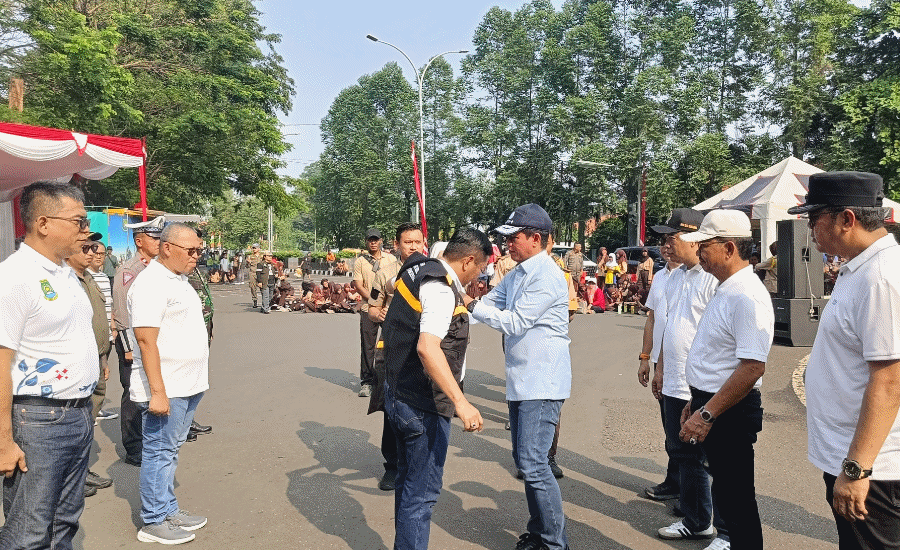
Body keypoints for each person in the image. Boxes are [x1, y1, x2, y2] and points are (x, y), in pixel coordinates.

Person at [789, 172, 900, 550]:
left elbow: (890, 381)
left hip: (875, 468)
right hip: (855, 456)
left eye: (813, 217)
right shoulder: (860, 268)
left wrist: (856, 468)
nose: (809, 228)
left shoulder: (881, 277)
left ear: (846, 219)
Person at [466, 204, 572, 550]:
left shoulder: (547, 276)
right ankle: (540, 531)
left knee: (534, 464)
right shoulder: (518, 272)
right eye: (507, 237)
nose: (507, 243)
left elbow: (514, 321)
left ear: (535, 239)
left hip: (541, 381)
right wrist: (457, 305)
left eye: (514, 237)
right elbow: (489, 304)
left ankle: (554, 542)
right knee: (527, 463)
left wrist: (469, 306)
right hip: (522, 381)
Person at [0, 181, 98, 549]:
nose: (84, 230)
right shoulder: (15, 277)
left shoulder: (64, 273)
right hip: (38, 421)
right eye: (78, 221)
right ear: (43, 223)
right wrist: (3, 440)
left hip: (77, 414)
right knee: (28, 531)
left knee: (64, 520)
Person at [383, 228, 490, 550]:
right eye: (480, 269)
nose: (478, 277)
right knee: (421, 496)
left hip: (398, 393)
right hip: (422, 404)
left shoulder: (417, 269)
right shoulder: (441, 290)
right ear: (468, 261)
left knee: (407, 485)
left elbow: (390, 286)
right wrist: (462, 403)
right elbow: (428, 348)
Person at [678, 209, 775, 550]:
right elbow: (718, 357)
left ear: (730, 248)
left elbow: (752, 367)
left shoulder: (746, 295)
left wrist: (706, 414)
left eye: (705, 244)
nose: (700, 251)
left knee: (736, 501)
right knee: (726, 491)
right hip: (714, 402)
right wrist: (697, 400)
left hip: (729, 410)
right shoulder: (727, 288)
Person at [128, 222, 210, 544]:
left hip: (188, 384)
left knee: (171, 450)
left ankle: (168, 509)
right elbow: (146, 340)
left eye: (199, 251)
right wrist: (158, 393)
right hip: (168, 387)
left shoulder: (178, 279)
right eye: (190, 251)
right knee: (159, 452)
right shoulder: (151, 283)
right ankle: (153, 520)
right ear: (166, 248)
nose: (196, 256)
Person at [650, 208, 725, 548]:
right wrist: (660, 368)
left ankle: (719, 528)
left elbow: (718, 339)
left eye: (672, 237)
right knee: (682, 453)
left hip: (702, 386)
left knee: (711, 458)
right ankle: (695, 520)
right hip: (674, 381)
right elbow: (670, 328)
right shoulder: (678, 277)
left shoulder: (713, 281)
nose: (667, 243)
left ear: (694, 238)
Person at [367, 222, 424, 492]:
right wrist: (378, 314)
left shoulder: (431, 270)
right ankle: (392, 465)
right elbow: (372, 307)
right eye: (408, 242)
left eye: (417, 242)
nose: (413, 247)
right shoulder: (386, 274)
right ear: (397, 244)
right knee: (391, 406)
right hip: (392, 347)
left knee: (420, 407)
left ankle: (416, 464)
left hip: (422, 346)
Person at [113, 215, 165, 466]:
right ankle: (133, 446)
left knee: (150, 391)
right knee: (133, 395)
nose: (158, 242)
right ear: (139, 240)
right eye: (154, 238)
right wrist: (128, 350)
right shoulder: (129, 271)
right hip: (134, 344)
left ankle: (150, 440)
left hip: (153, 343)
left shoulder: (157, 269)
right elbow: (122, 315)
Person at [68, 233, 115, 497]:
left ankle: (80, 471)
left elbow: (100, 321)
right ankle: (74, 476)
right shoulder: (66, 281)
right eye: (84, 248)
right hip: (77, 364)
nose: (91, 253)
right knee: (76, 422)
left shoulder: (89, 278)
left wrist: (104, 357)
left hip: (96, 358)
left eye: (92, 248)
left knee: (88, 420)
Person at [637, 239, 682, 505]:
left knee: (684, 426)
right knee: (669, 423)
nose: (665, 248)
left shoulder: (694, 277)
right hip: (660, 361)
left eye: (670, 242)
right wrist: (645, 358)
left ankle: (693, 491)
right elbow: (652, 319)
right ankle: (675, 480)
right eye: (662, 244)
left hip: (684, 362)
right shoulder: (662, 277)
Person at [353, 228, 401, 398]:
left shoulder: (391, 259)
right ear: (366, 242)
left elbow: (397, 283)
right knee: (368, 345)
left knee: (392, 344)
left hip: (389, 309)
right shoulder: (360, 261)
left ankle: (389, 379)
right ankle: (366, 382)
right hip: (369, 309)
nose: (373, 242)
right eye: (370, 240)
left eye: (376, 239)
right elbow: (359, 285)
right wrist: (375, 302)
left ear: (381, 241)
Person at [88, 240, 119, 424]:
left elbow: (109, 305)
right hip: (94, 336)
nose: (99, 257)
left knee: (103, 373)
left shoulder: (103, 277)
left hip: (107, 333)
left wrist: (113, 327)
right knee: (95, 374)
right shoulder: (86, 277)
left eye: (102, 254)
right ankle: (91, 411)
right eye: (96, 253)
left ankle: (97, 409)